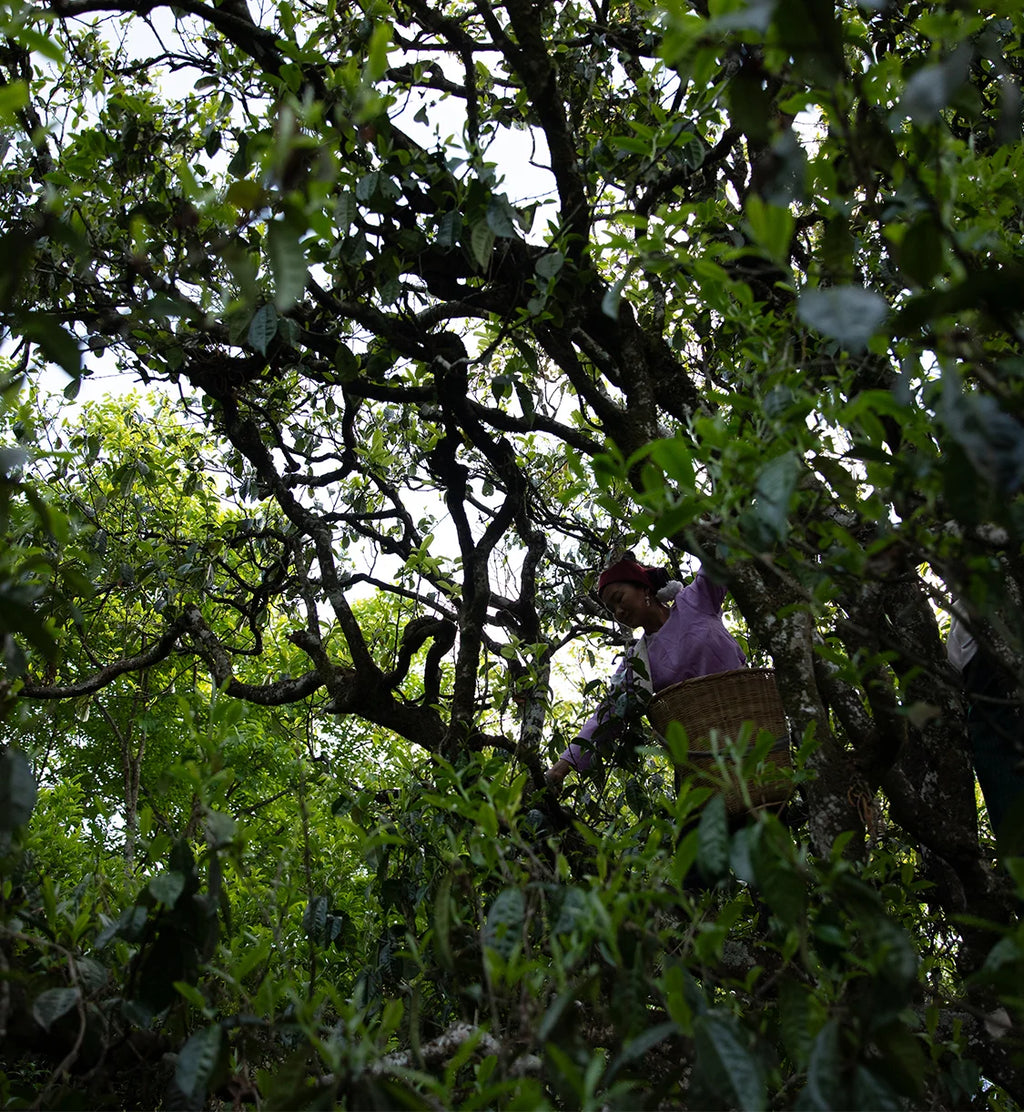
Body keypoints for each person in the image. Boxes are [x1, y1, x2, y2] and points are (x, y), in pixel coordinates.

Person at [545, 554, 747, 789]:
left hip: (748, 723)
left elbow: (718, 556)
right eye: (611, 610)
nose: (618, 611)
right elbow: (609, 711)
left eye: (619, 599)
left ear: (644, 589)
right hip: (703, 755)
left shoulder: (693, 601)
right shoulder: (638, 660)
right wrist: (562, 767)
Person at [947, 610, 1024, 852]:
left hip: (992, 734)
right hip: (995, 732)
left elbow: (954, 665)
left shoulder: (961, 612)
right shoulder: (966, 609)